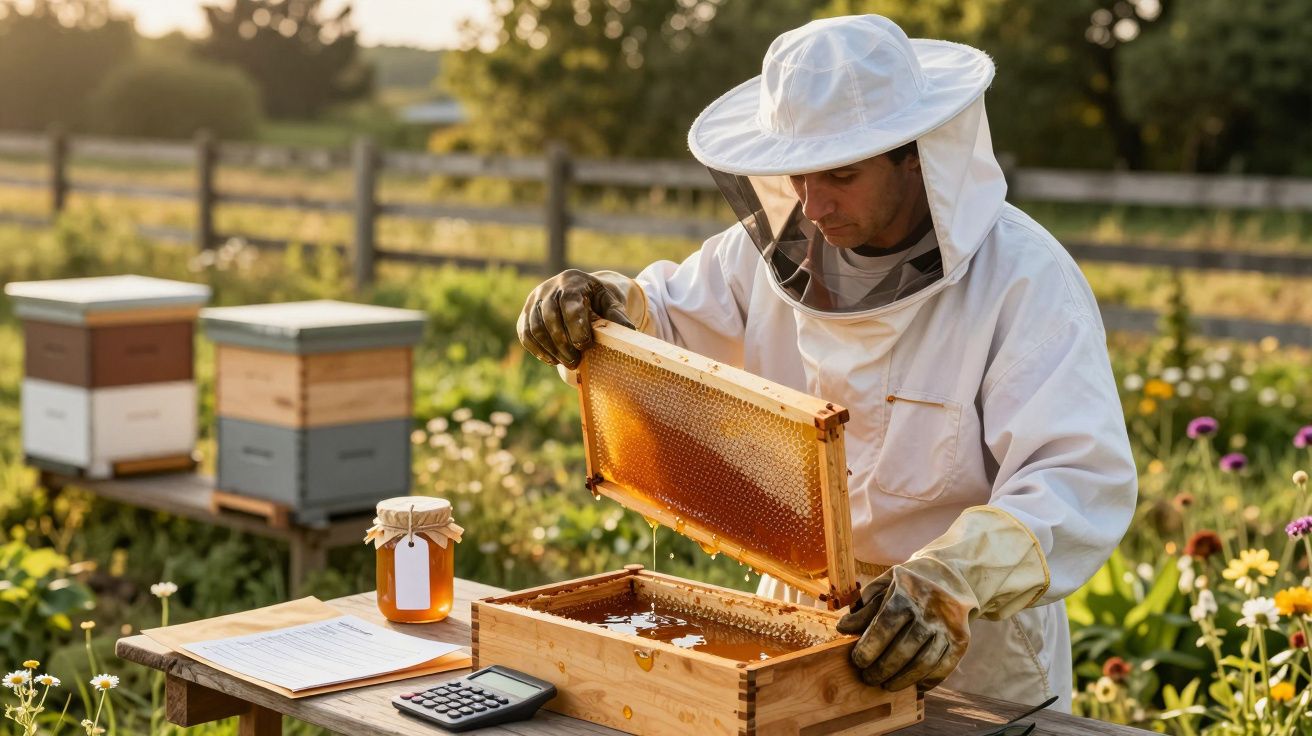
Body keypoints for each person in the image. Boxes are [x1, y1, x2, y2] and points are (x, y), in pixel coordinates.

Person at [517, 14, 1136, 711]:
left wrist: (951, 581)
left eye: (841, 174)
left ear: (914, 154)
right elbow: (661, 325)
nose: (813, 205)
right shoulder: (765, 253)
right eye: (798, 175)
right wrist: (595, 303)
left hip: (963, 642)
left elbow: (1075, 477)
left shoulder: (1023, 278)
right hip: (800, 610)